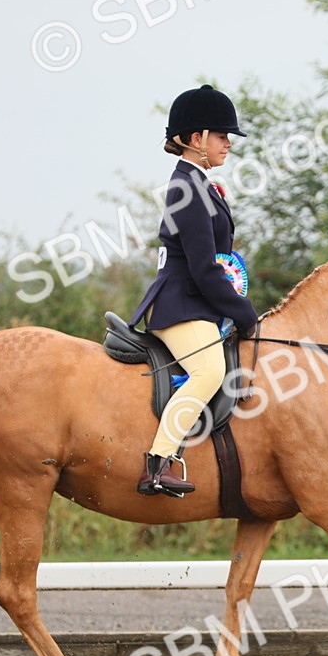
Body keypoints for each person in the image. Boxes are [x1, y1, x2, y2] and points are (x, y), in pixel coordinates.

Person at [129, 84, 259, 497]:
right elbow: (204, 270)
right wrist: (243, 312)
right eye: (222, 136)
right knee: (209, 371)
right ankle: (157, 463)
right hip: (181, 306)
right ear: (196, 139)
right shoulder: (186, 188)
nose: (228, 144)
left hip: (196, 305)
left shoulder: (199, 184)